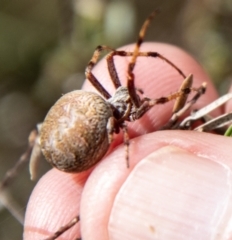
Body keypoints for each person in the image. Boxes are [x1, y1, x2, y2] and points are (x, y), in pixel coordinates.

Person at [23, 43, 232, 240]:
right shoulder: (122, 122)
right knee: (142, 90)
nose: (132, 92)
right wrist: (187, 92)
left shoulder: (115, 106)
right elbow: (153, 102)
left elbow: (103, 53)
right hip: (80, 134)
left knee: (88, 204)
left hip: (79, 126)